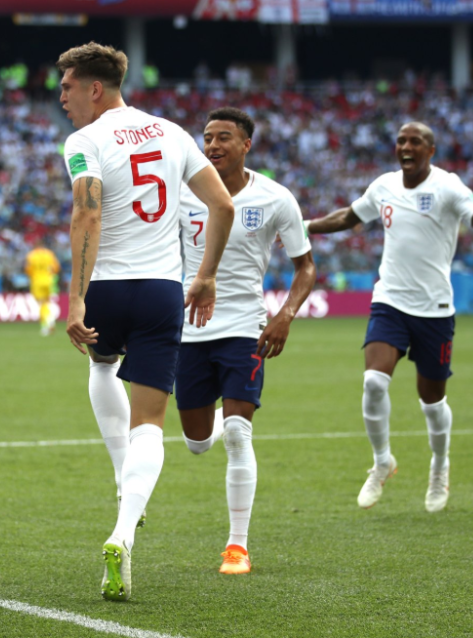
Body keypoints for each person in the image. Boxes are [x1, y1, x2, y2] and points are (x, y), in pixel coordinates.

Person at [57, 42, 235, 602]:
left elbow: (86, 211)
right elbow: (223, 206)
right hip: (161, 291)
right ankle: (123, 531)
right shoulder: (173, 133)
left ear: (94, 88)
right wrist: (206, 276)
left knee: (102, 366)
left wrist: (76, 298)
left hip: (107, 287)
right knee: (151, 425)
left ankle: (120, 475)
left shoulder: (84, 141)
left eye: (67, 87)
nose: (61, 97)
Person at [306, 122, 473, 513]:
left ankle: (439, 465)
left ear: (430, 150)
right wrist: (304, 227)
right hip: (390, 302)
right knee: (373, 382)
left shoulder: (448, 187)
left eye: (415, 141)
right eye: (401, 140)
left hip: (434, 311)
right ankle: (382, 461)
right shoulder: (384, 185)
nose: (406, 146)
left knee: (432, 402)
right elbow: (348, 217)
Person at [175, 108, 315, 575]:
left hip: (245, 329)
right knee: (197, 443)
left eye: (223, 137)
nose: (212, 145)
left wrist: (285, 314)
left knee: (238, 434)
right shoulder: (182, 192)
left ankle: (237, 547)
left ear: (246, 145)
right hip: (189, 329)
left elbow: (305, 266)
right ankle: (219, 416)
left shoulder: (275, 198)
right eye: (208, 137)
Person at [25, 240, 60, 335]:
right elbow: (56, 268)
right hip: (49, 281)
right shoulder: (49, 254)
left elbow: (28, 269)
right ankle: (50, 319)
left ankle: (46, 324)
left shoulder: (31, 255)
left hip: (37, 281)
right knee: (47, 302)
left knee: (41, 303)